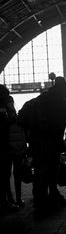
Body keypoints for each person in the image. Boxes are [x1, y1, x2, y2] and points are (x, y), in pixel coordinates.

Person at [28, 76, 66, 213]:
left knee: (40, 170)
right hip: (51, 142)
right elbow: (62, 123)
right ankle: (51, 195)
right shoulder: (64, 103)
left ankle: (40, 199)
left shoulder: (41, 99)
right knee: (52, 170)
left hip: (37, 142)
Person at [0, 84, 19, 214]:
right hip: (2, 145)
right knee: (4, 174)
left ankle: (7, 200)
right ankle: (4, 203)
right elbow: (12, 119)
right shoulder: (4, 107)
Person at [7, 122, 28, 207]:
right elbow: (23, 137)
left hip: (8, 151)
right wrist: (24, 150)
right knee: (17, 176)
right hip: (19, 151)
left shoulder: (5, 122)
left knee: (7, 176)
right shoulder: (19, 122)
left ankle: (10, 199)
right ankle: (18, 198)